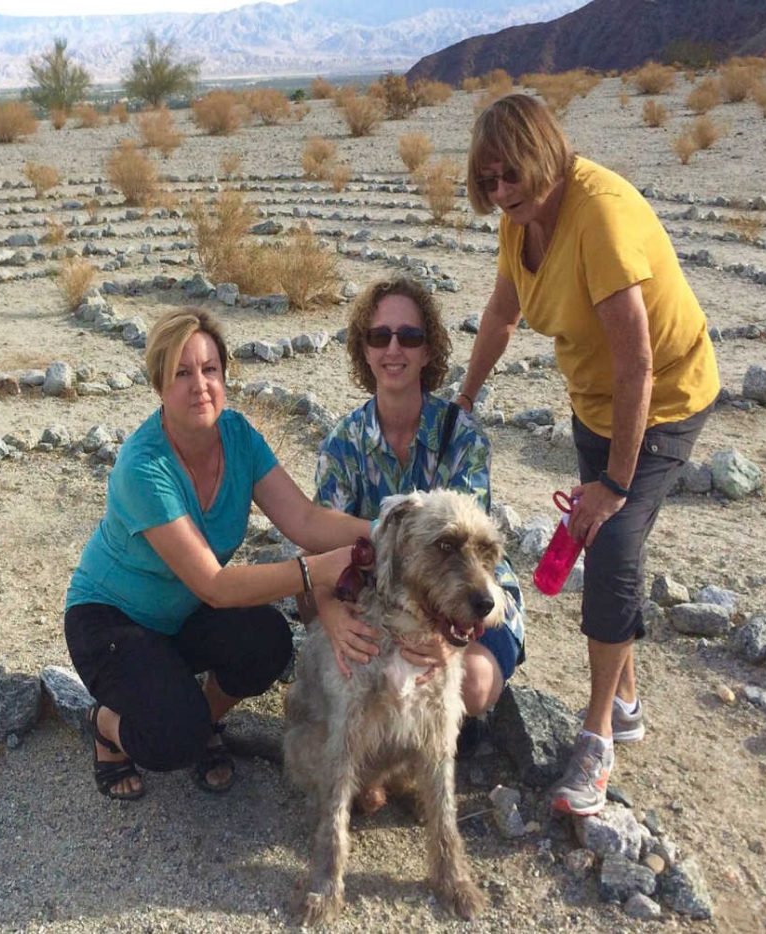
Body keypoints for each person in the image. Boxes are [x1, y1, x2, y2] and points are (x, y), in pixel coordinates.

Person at [461, 94, 719, 816]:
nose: (502, 193)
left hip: (664, 399)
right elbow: (502, 315)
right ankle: (627, 698)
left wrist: (614, 481)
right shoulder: (521, 223)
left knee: (609, 547)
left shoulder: (599, 215)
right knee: (603, 539)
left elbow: (638, 363)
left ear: (544, 154)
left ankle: (598, 736)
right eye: (488, 182)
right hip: (593, 403)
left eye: (511, 175)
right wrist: (463, 399)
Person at [64, 307, 370, 801]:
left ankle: (198, 717)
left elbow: (306, 521)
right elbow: (215, 584)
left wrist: (383, 531)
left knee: (267, 640)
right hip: (111, 622)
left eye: (209, 369)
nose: (199, 385)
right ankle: (106, 726)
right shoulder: (143, 466)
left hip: (181, 614)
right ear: (159, 385)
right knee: (169, 742)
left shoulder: (239, 437)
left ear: (225, 375)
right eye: (181, 373)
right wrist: (315, 572)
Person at [314, 276, 526, 812]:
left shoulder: (464, 440)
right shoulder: (344, 443)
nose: (393, 349)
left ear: (429, 347)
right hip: (381, 600)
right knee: (348, 666)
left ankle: (436, 738)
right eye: (379, 335)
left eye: (409, 336)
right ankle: (379, 756)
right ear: (363, 348)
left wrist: (451, 642)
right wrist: (333, 617)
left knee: (472, 685)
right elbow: (319, 550)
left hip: (467, 598)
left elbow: (474, 561)